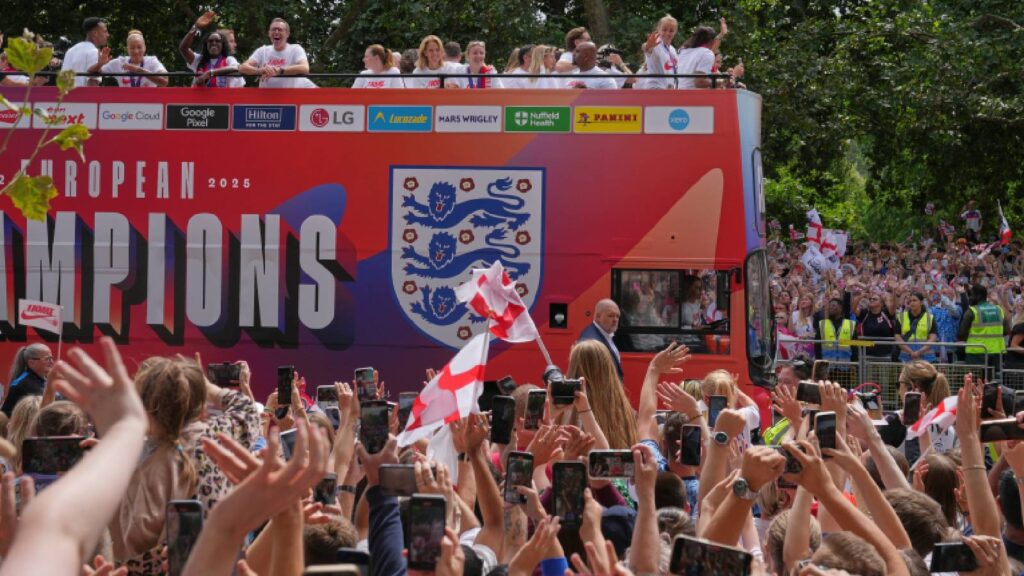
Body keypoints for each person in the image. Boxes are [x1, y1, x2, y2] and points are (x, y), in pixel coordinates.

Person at [238, 18, 310, 88]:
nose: (276, 32)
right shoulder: (262, 50)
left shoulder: (295, 49)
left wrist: (280, 71)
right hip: (265, 98)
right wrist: (259, 71)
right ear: (269, 33)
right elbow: (242, 67)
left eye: (280, 30)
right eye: (273, 29)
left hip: (288, 98)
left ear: (287, 34)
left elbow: (305, 68)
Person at [179, 11, 244, 88]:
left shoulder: (228, 60)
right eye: (210, 41)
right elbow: (183, 48)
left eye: (218, 41)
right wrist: (196, 27)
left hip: (222, 99)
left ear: (223, 45)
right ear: (206, 44)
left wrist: (210, 73)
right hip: (200, 99)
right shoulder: (199, 60)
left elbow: (236, 68)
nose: (214, 43)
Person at [89, 30, 168, 87]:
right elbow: (91, 73)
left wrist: (138, 70)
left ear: (145, 47)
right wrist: (100, 64)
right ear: (127, 49)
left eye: (139, 47)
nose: (136, 51)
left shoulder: (152, 61)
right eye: (132, 48)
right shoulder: (120, 62)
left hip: (149, 106)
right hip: (125, 107)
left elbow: (164, 81)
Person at [958, 283, 1008, 368]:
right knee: (994, 380)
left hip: (976, 353)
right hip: (997, 353)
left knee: (976, 380)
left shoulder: (972, 311)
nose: (970, 297)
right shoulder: (999, 309)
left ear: (978, 296)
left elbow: (961, 333)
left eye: (971, 295)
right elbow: (1006, 331)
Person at [1, 344, 53, 417]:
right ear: (31, 363)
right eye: (47, 359)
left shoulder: (46, 380)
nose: (51, 362)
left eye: (51, 358)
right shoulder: (22, 384)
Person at [578, 299, 623, 379]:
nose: (615, 320)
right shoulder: (591, 341)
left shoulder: (606, 333)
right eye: (610, 316)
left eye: (617, 316)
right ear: (597, 317)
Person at [61, 17, 109, 87]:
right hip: (83, 96)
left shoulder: (71, 50)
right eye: (105, 31)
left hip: (65, 96)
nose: (108, 35)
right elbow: (92, 82)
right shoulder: (93, 51)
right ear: (95, 33)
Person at [894, 292, 938, 363]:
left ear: (921, 302)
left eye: (914, 300)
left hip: (926, 356)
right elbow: (897, 336)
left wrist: (919, 352)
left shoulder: (929, 318)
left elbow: (933, 338)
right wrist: (910, 352)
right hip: (906, 356)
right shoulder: (901, 317)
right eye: (910, 301)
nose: (912, 303)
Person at [640, 15, 679, 89]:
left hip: (668, 90)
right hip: (655, 88)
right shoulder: (656, 44)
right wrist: (648, 46)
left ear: (675, 32)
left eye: (671, 31)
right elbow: (645, 47)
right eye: (664, 30)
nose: (667, 33)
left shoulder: (672, 50)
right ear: (658, 29)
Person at [815, 297, 857, 362]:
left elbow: (854, 346)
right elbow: (817, 346)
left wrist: (854, 362)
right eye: (829, 306)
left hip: (845, 366)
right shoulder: (822, 324)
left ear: (841, 308)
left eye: (833, 305)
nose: (830, 307)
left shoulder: (850, 324)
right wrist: (819, 361)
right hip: (826, 365)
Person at [857, 291, 896, 359]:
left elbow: (893, 305)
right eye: (870, 299)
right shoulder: (865, 313)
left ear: (881, 303)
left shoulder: (886, 313)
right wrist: (860, 297)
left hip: (885, 355)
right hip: (867, 355)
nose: (871, 300)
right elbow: (853, 308)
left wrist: (894, 291)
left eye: (874, 299)